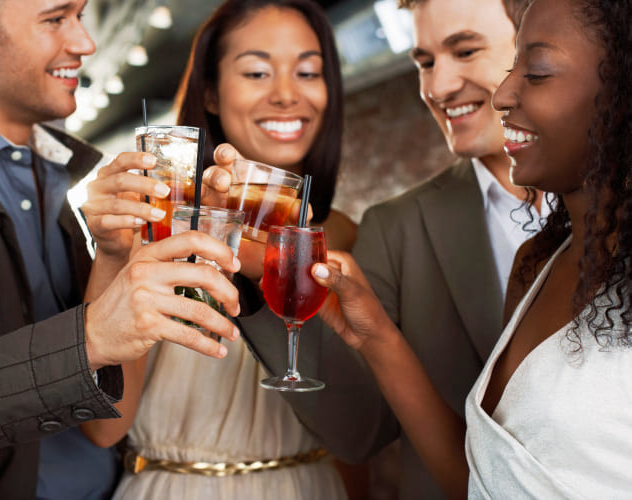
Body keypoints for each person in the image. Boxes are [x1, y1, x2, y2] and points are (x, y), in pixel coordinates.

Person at [209, 0, 543, 496]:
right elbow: (358, 432)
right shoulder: (396, 227)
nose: (438, 87)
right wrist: (263, 272)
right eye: (425, 63)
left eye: (466, 50)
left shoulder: (607, 199)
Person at [312, 0, 632, 496]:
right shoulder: (537, 265)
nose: (505, 93)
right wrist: (375, 333)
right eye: (424, 61)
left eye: (538, 71)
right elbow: (484, 480)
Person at [79, 1, 395, 498]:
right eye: (256, 71)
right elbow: (103, 429)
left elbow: (359, 437)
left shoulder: (347, 240)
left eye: (308, 72)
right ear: (209, 91)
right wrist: (113, 254)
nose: (287, 94)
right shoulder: (156, 227)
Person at [0, 1, 241, 499]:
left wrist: (116, 256)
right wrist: (89, 337)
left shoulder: (55, 175)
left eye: (81, 15)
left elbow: (103, 427)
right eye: (56, 19)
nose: (85, 43)